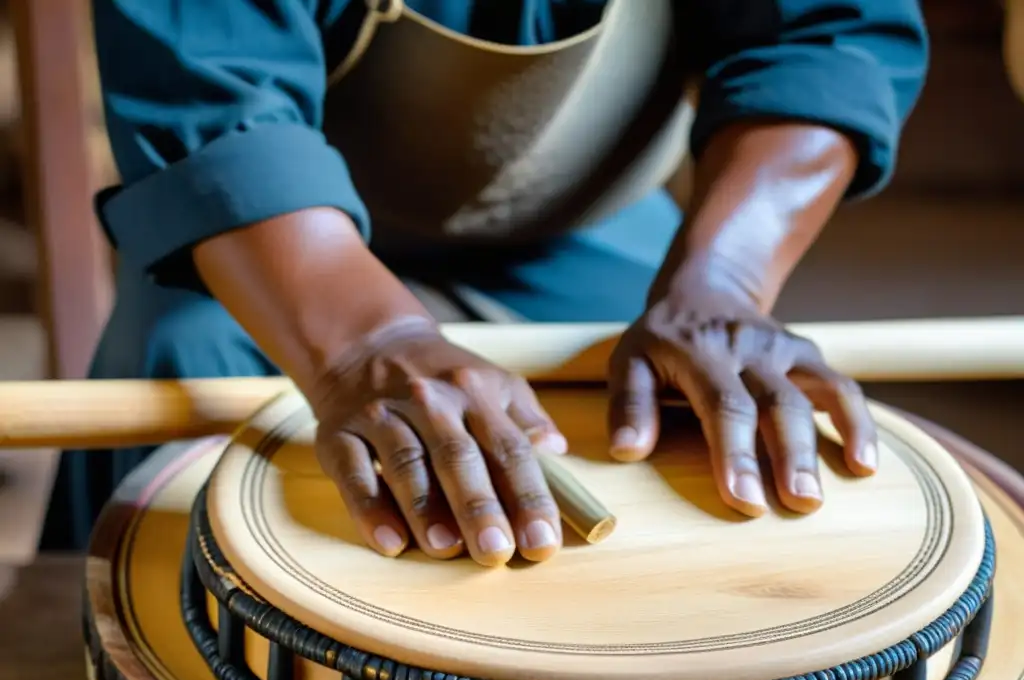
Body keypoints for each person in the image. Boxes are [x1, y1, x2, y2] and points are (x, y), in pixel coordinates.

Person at [41, 0, 928, 566]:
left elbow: (829, 32)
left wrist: (724, 280)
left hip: (585, 227)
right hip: (271, 238)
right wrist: (371, 343)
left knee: (691, 436)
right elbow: (219, 104)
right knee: (178, 376)